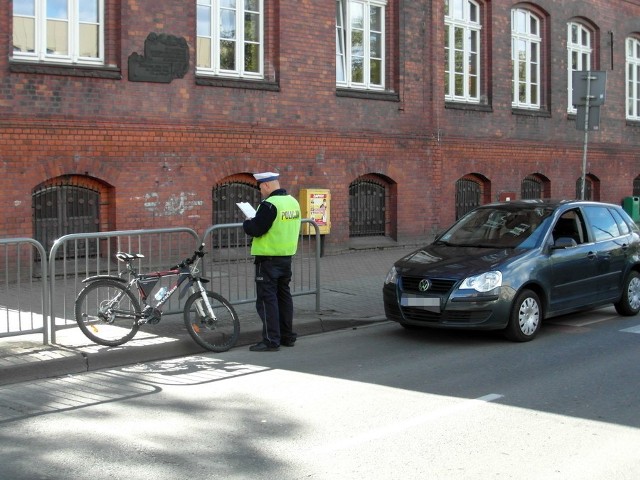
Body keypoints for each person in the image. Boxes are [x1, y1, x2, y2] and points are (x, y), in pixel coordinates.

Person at [242, 172, 302, 352]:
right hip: (286, 258)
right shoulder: (293, 201)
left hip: (267, 260)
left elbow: (256, 229)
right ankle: (287, 336)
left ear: (266, 185)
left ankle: (271, 340)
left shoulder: (269, 205)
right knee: (284, 298)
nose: (261, 191)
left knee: (267, 300)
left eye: (260, 188)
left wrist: (247, 222)